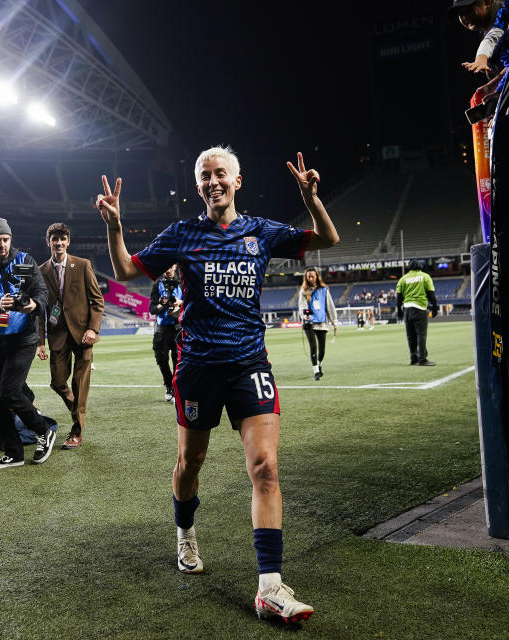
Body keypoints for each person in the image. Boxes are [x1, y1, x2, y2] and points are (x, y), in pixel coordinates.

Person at [96, 146, 339, 624]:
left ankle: (269, 586)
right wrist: (114, 226)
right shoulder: (182, 234)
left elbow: (327, 238)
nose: (213, 181)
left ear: (237, 181)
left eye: (220, 174)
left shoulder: (261, 231)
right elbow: (126, 271)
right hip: (198, 368)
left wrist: (311, 198)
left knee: (265, 467)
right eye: (205, 175)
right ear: (199, 185)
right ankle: (184, 531)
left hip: (250, 362)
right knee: (191, 462)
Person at [0, 215, 56, 470]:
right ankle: (13, 453)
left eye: (6, 239)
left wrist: (33, 304)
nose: (2, 245)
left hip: (23, 339)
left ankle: (43, 430)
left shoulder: (25, 260)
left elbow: (42, 293)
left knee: (9, 391)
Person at [36, 222, 105, 450]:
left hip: (84, 335)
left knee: (79, 384)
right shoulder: (41, 270)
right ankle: (78, 409)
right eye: (54, 239)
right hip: (57, 335)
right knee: (57, 382)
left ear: (68, 241)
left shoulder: (83, 265)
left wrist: (92, 329)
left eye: (62, 238)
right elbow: (40, 310)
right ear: (49, 242)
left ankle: (77, 431)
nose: (59, 243)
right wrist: (40, 342)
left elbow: (97, 300)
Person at [396, 259, 439, 366]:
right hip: (419, 308)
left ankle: (413, 358)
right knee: (421, 334)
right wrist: (435, 308)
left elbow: (399, 297)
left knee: (411, 336)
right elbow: (431, 294)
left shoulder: (403, 279)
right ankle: (422, 359)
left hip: (407, 309)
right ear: (420, 267)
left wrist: (399, 311)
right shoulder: (425, 276)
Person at [297, 267, 337, 380]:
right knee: (313, 347)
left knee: (322, 349)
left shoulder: (324, 290)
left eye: (312, 276)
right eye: (308, 276)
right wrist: (306, 317)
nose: (310, 278)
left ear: (316, 276)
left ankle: (319, 364)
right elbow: (302, 307)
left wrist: (334, 321)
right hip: (309, 323)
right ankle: (316, 371)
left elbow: (330, 306)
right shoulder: (304, 291)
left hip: (322, 322)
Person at [150, 266, 182, 402]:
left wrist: (180, 302)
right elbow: (152, 309)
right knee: (162, 360)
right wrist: (162, 304)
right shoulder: (157, 284)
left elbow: (192, 301)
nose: (167, 270)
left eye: (170, 266)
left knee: (178, 361)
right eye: (165, 267)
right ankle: (168, 385)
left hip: (177, 327)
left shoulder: (182, 282)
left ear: (175, 266)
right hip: (162, 329)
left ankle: (175, 388)